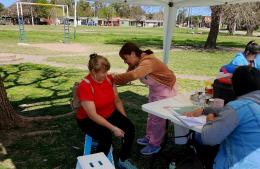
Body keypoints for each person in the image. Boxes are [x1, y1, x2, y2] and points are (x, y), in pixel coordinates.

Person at [185, 66, 260, 169]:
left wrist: (210, 120)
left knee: (198, 136)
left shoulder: (238, 107)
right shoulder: (250, 103)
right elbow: (229, 109)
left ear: (235, 86)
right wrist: (204, 110)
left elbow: (209, 138)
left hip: (239, 163)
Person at [113, 42, 177, 155]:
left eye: (125, 58)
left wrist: (112, 78)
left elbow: (133, 75)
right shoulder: (137, 62)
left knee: (158, 120)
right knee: (151, 116)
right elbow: (127, 76)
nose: (125, 61)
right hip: (155, 90)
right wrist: (116, 80)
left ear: (132, 53)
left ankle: (155, 144)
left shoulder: (148, 62)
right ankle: (149, 137)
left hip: (165, 91)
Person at [76, 54, 137, 169]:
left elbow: (117, 101)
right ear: (93, 71)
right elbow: (93, 115)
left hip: (109, 112)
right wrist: (113, 128)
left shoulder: (109, 79)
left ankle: (123, 159)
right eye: (103, 72)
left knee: (129, 128)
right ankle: (98, 165)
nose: (106, 75)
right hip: (88, 119)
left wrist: (124, 119)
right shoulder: (85, 85)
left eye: (107, 71)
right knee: (106, 137)